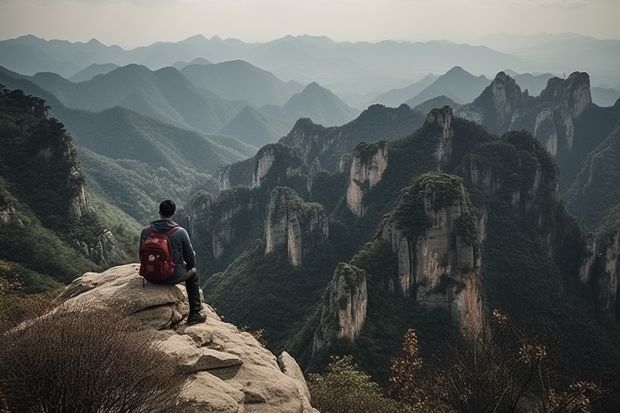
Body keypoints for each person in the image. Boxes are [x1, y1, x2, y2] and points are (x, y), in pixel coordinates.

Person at [139, 200, 206, 325]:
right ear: (173, 213)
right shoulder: (180, 232)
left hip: (150, 276)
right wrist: (185, 266)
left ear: (159, 212)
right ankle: (195, 314)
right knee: (194, 274)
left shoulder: (146, 231)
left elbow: (141, 256)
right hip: (171, 276)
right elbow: (191, 259)